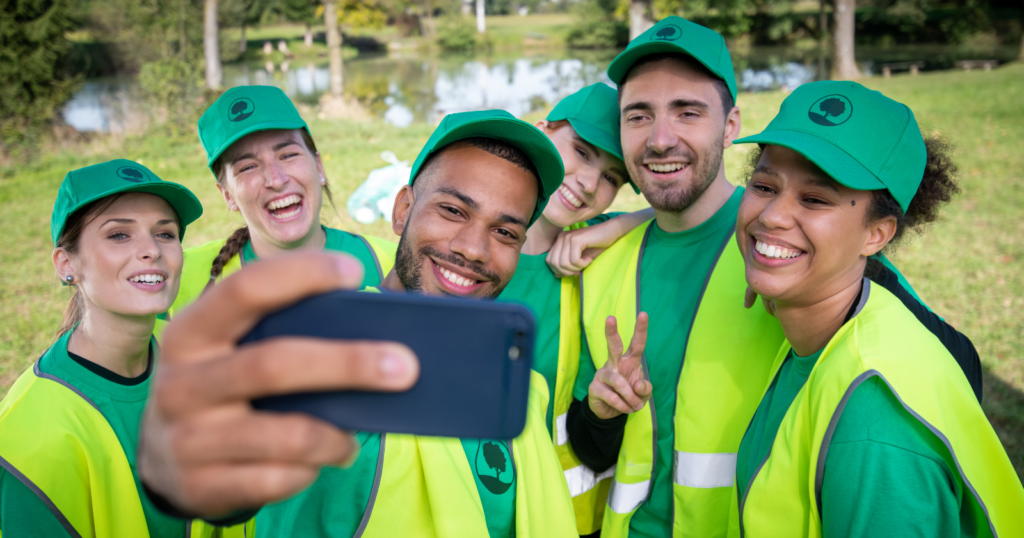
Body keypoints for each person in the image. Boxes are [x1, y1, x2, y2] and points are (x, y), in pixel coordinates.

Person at [564, 16, 984, 538]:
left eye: (688, 112)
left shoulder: (790, 256)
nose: (660, 138)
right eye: (638, 115)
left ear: (731, 125)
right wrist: (603, 414)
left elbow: (945, 372)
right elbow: (589, 445)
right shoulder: (597, 257)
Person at [138, 110, 580, 537]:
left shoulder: (517, 384)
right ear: (403, 209)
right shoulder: (327, 351)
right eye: (452, 211)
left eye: (504, 232)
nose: (474, 249)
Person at [731, 81, 1024, 537]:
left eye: (814, 199)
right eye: (765, 185)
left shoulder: (875, 425)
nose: (771, 216)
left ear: (876, 235)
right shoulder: (816, 323)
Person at [0, 160, 236, 537]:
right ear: (66, 265)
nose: (151, 251)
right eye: (119, 235)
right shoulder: (30, 435)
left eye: (165, 233)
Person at [497, 82, 653, 535]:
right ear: (542, 131)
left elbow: (694, 209)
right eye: (582, 152)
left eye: (611, 178)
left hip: (560, 514)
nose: (589, 183)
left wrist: (616, 225)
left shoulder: (600, 252)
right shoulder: (472, 249)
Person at [165, 85, 397, 323]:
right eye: (247, 167)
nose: (275, 180)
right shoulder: (178, 277)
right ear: (228, 195)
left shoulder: (391, 262)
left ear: (318, 167)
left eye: (288, 155)